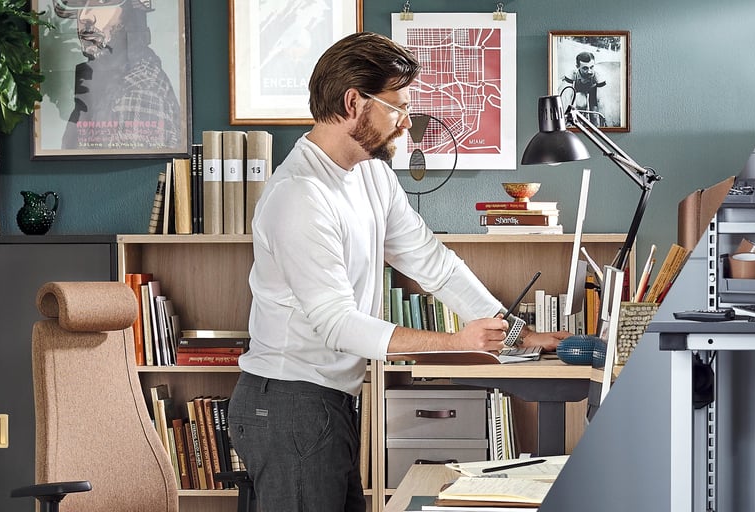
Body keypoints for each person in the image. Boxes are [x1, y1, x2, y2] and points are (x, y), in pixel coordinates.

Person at [226, 32, 568, 512]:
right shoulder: (300, 196)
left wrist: (515, 333)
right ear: (353, 103)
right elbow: (338, 323)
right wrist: (459, 342)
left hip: (327, 400)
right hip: (289, 401)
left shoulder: (372, 174)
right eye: (397, 107)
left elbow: (433, 263)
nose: (407, 124)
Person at [55, 0, 181, 151]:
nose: (84, 17)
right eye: (80, 3)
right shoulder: (104, 81)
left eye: (101, 2)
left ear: (131, 13)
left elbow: (129, 173)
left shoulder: (138, 93)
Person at [561, 51, 606, 120]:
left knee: (594, 114)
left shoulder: (599, 75)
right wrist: (566, 117)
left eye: (591, 67)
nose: (590, 71)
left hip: (592, 90)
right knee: (580, 103)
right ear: (577, 67)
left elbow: (601, 101)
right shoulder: (572, 73)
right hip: (577, 90)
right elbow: (567, 97)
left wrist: (603, 120)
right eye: (585, 68)